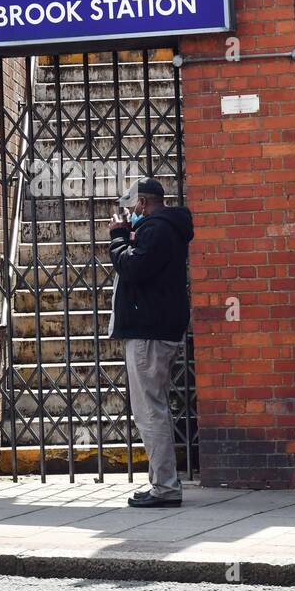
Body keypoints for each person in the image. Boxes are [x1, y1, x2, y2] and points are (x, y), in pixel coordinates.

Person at [107, 176, 195, 507]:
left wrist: (117, 238)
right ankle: (162, 482)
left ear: (143, 203)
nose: (128, 214)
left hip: (149, 333)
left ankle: (166, 488)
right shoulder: (165, 227)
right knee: (153, 407)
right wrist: (129, 236)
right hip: (159, 330)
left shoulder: (156, 229)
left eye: (131, 207)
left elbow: (133, 268)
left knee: (149, 411)